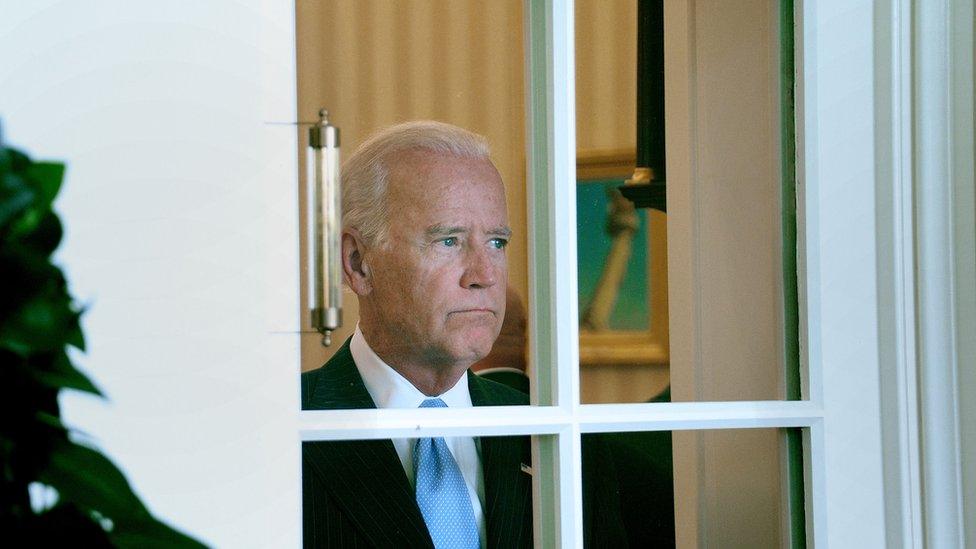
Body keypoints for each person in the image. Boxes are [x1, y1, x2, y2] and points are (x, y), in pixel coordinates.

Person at [301, 121, 532, 548]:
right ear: (357, 262)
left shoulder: (550, 431)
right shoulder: (284, 426)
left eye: (497, 243)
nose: (484, 275)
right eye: (448, 241)